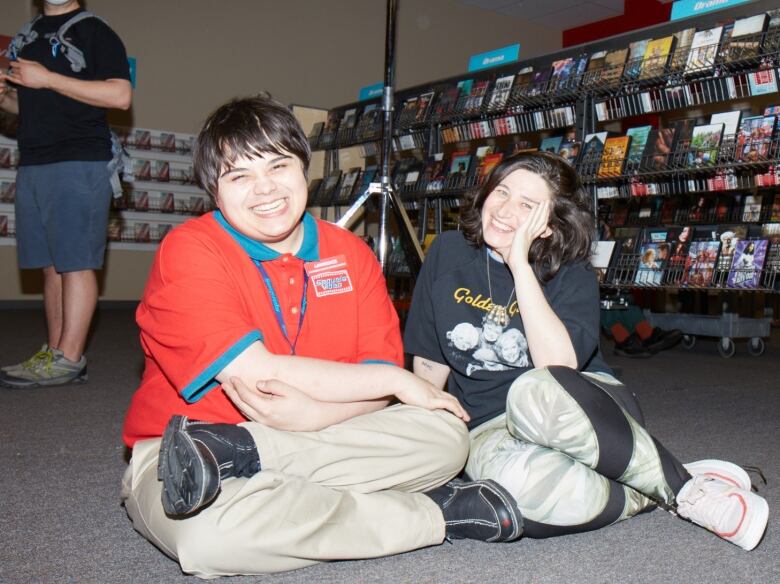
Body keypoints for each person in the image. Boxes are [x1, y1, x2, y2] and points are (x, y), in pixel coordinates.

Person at [120, 95, 522, 578]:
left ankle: (262, 470)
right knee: (209, 539)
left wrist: (317, 416)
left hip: (327, 436)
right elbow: (255, 370)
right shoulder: (189, 249)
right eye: (238, 176)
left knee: (447, 436)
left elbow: (372, 373)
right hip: (188, 453)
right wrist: (399, 381)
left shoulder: (350, 252)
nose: (264, 189)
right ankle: (439, 513)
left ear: (303, 168)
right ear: (214, 190)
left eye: (277, 166)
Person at [404, 151, 768, 550]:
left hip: (582, 411)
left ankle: (687, 491)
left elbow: (557, 370)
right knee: (512, 492)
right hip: (490, 426)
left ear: (550, 222)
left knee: (531, 389)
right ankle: (643, 490)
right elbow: (430, 357)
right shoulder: (448, 251)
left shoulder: (572, 271)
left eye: (527, 205)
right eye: (501, 192)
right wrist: (428, 437)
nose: (505, 210)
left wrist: (520, 265)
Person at [0, 0, 132, 388]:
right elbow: (24, 105)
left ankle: (70, 357)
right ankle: (55, 352)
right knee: (51, 265)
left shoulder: (94, 30)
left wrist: (48, 79)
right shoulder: (28, 37)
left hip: (80, 159)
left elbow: (120, 95)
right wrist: (4, 99)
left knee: (75, 262)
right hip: (35, 159)